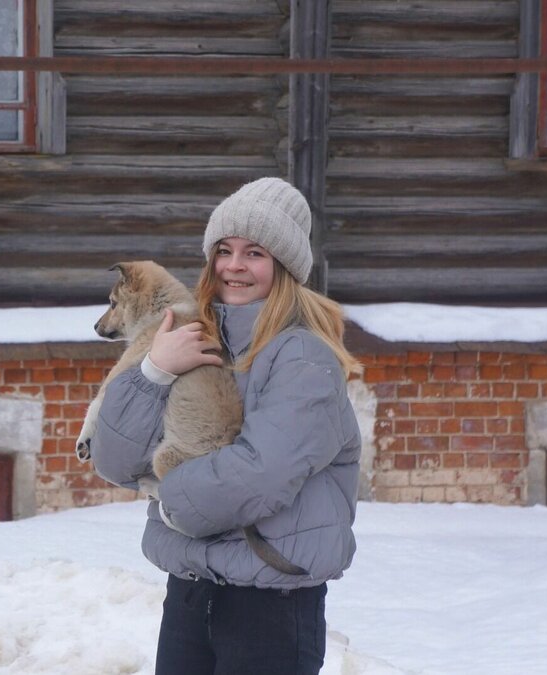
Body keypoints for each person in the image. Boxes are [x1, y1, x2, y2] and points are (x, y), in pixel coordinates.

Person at [89, 177, 362, 675]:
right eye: (224, 250)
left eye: (254, 252)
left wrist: (167, 499)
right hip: (191, 595)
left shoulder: (303, 357)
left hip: (270, 607)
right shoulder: (183, 339)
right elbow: (113, 459)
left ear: (284, 266)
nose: (234, 266)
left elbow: (260, 476)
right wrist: (155, 371)